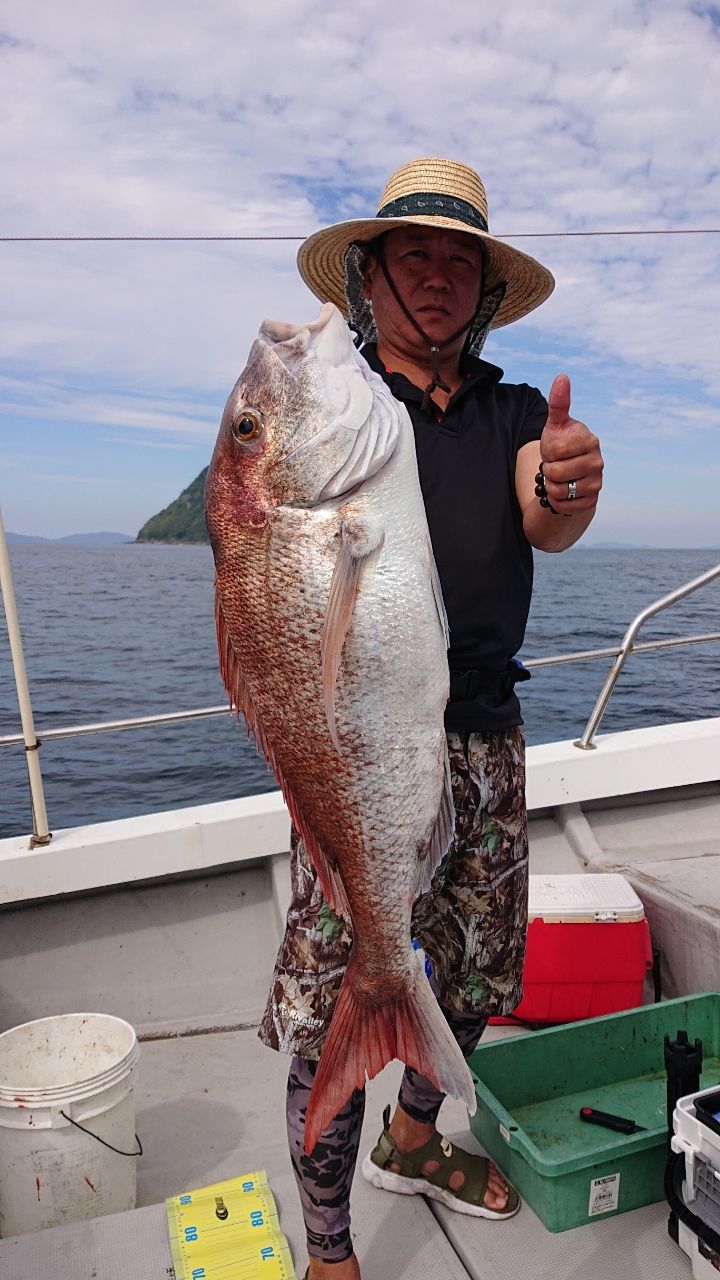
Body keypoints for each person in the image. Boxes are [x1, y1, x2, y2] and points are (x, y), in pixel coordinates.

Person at [258, 156, 604, 1279]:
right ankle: (328, 1248)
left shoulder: (510, 410)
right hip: (358, 747)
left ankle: (413, 1137)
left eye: (465, 260)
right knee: (341, 996)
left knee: (468, 978)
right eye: (418, 254)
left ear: (489, 289)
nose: (443, 278)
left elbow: (540, 514)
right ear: (369, 276)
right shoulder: (348, 407)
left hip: (486, 739)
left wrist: (561, 487)